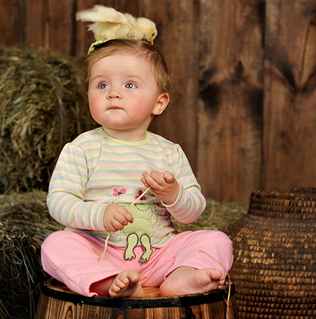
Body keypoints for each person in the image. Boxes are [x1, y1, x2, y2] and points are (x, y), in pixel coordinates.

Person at [40, 38, 233, 298]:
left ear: (159, 103)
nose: (113, 93)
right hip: (101, 253)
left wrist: (173, 194)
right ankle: (108, 281)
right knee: (55, 245)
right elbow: (59, 202)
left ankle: (182, 275)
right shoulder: (81, 149)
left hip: (160, 255)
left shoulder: (169, 152)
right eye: (102, 85)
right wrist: (99, 214)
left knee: (217, 239)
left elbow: (193, 212)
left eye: (129, 85)